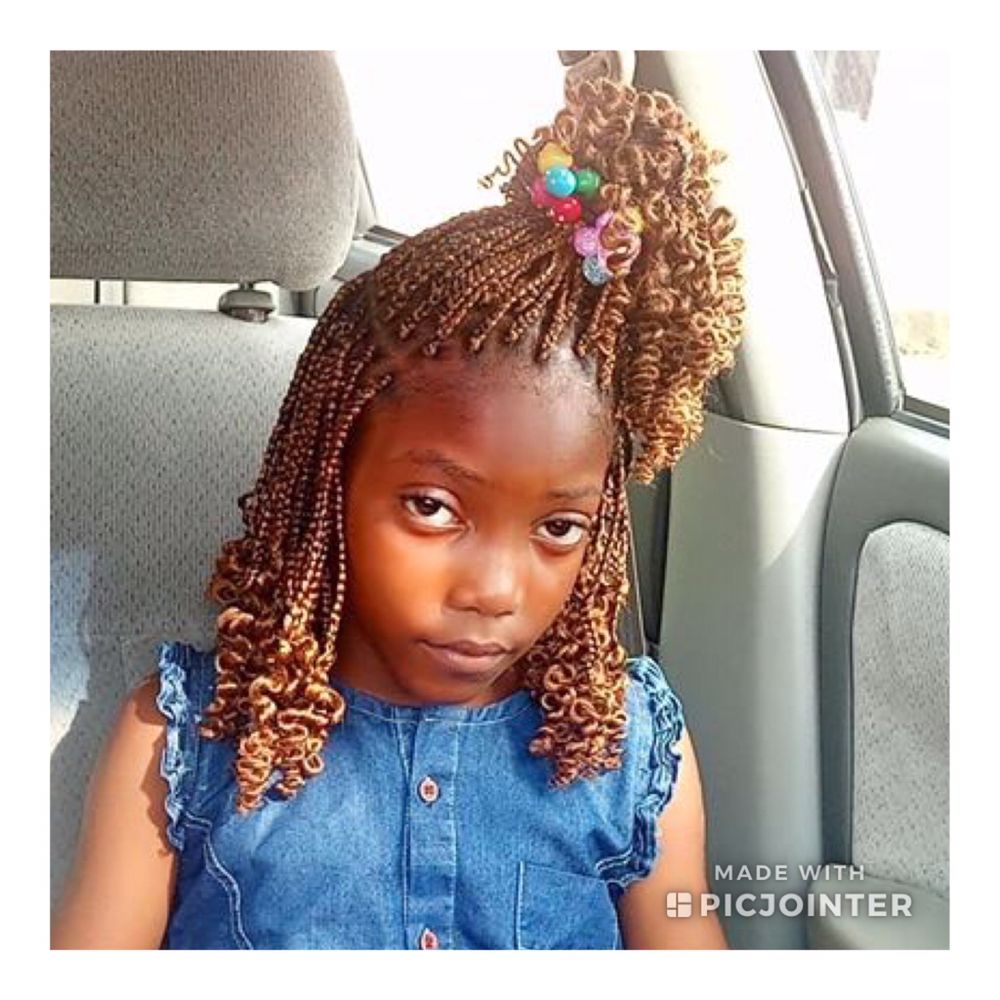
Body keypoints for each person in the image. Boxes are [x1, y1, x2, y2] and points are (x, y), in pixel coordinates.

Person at [51, 73, 745, 950]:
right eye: (432, 508)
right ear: (329, 481)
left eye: (558, 528)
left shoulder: (626, 748)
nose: (496, 591)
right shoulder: (183, 743)